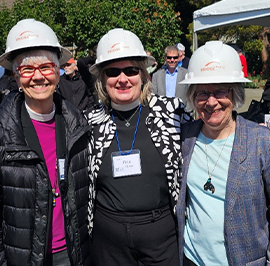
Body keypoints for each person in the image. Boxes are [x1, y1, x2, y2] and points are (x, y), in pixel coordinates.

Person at [84, 28, 192, 266]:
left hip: (160, 235)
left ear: (143, 75)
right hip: (108, 240)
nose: (122, 79)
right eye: (113, 72)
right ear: (102, 78)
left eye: (131, 70)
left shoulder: (172, 112)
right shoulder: (89, 120)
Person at [0, 19, 91, 266]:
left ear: (58, 72)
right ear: (17, 77)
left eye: (47, 67)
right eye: (27, 69)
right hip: (23, 257)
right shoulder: (3, 130)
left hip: (71, 253)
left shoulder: (78, 125)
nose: (38, 77)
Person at [176, 40, 270, 266]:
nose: (211, 102)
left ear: (235, 93)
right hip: (192, 260)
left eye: (220, 91)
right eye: (201, 93)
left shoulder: (261, 141)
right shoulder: (185, 137)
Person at [151, 45, 191, 112]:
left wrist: (187, 112)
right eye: (169, 57)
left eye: (175, 58)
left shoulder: (186, 74)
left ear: (178, 58)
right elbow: (153, 96)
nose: (172, 60)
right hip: (162, 115)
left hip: (182, 115)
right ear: (165, 58)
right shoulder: (156, 76)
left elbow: (191, 95)